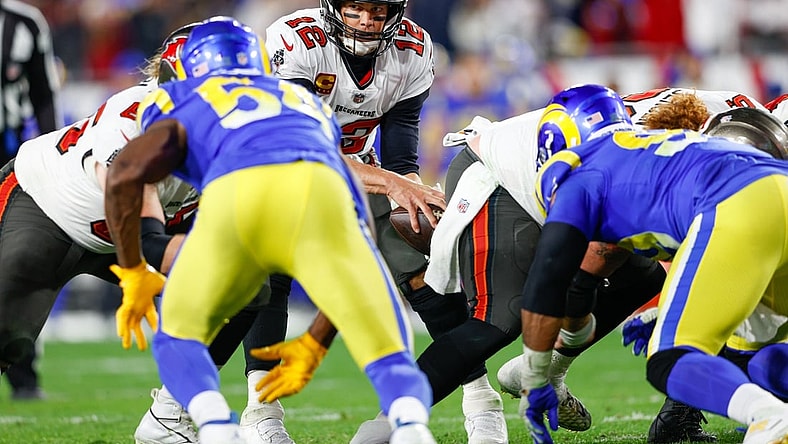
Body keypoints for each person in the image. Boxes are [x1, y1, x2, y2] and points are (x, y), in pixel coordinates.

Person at [103, 16, 437, 444]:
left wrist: (133, 269)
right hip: (324, 199)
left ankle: (212, 425)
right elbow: (355, 207)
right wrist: (316, 342)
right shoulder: (306, 103)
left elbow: (124, 174)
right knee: (390, 353)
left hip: (238, 198)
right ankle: (411, 427)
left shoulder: (178, 97)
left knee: (179, 337)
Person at [239, 2, 499, 443]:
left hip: (360, 168)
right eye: (355, 9)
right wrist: (394, 184)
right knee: (269, 277)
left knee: (423, 271)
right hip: (278, 167)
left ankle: (480, 398)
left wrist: (410, 191)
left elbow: (400, 145)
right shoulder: (297, 41)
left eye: (377, 12)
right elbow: (307, 146)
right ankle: (259, 409)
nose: (366, 22)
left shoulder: (413, 49)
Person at [492, 87, 770, 444]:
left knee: (672, 360)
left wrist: (536, 374)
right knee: (759, 334)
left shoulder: (588, 175)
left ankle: (768, 414)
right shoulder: (677, 146)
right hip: (770, 193)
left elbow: (551, 282)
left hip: (739, 215)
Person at [0, 0, 63, 401]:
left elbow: (43, 95)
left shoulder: (24, 22)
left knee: (16, 265)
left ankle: (23, 376)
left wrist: (56, 156)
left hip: (7, 158)